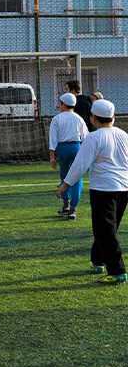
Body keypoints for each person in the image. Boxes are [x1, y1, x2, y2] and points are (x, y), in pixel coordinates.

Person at [57, 99, 128, 284]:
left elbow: (80, 165)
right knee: (108, 229)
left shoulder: (94, 137)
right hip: (123, 188)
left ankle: (117, 271)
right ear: (113, 117)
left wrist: (65, 184)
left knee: (105, 231)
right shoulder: (123, 135)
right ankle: (98, 261)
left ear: (93, 118)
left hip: (103, 189)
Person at [49, 94, 88, 220]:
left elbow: (53, 139)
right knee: (77, 176)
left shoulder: (56, 119)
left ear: (63, 104)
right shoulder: (79, 118)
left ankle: (66, 204)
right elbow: (86, 137)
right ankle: (73, 208)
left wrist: (52, 156)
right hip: (77, 147)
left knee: (64, 175)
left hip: (62, 149)